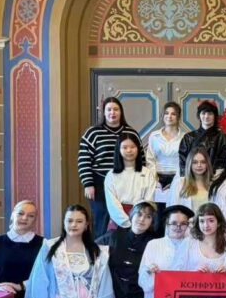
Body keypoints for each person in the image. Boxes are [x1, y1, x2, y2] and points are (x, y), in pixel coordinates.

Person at [78, 96, 140, 237]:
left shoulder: (130, 133)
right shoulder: (93, 133)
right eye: (109, 109)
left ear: (121, 112)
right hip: (99, 183)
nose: (112, 113)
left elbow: (140, 158)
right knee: (102, 218)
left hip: (125, 182)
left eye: (116, 109)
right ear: (104, 112)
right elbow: (84, 160)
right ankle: (100, 247)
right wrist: (88, 184)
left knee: (126, 216)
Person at [104, 131, 157, 233]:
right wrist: (127, 223)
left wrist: (138, 220)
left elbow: (149, 199)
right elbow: (112, 204)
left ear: (138, 149)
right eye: (125, 147)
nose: (129, 150)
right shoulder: (111, 175)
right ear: (118, 149)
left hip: (141, 219)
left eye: (132, 147)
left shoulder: (147, 173)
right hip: (118, 220)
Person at [145, 101, 184, 215]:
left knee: (174, 214)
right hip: (157, 179)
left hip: (177, 178)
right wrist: (155, 180)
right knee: (157, 216)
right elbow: (150, 159)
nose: (169, 116)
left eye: (173, 114)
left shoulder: (185, 137)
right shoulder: (154, 136)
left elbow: (185, 161)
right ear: (162, 115)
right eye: (167, 113)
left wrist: (176, 181)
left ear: (178, 117)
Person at [178, 100, 226, 173]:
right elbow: (183, 162)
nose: (206, 116)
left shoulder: (223, 138)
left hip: (216, 176)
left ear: (215, 116)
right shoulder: (188, 137)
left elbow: (224, 162)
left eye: (210, 114)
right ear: (199, 116)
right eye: (203, 113)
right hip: (192, 177)